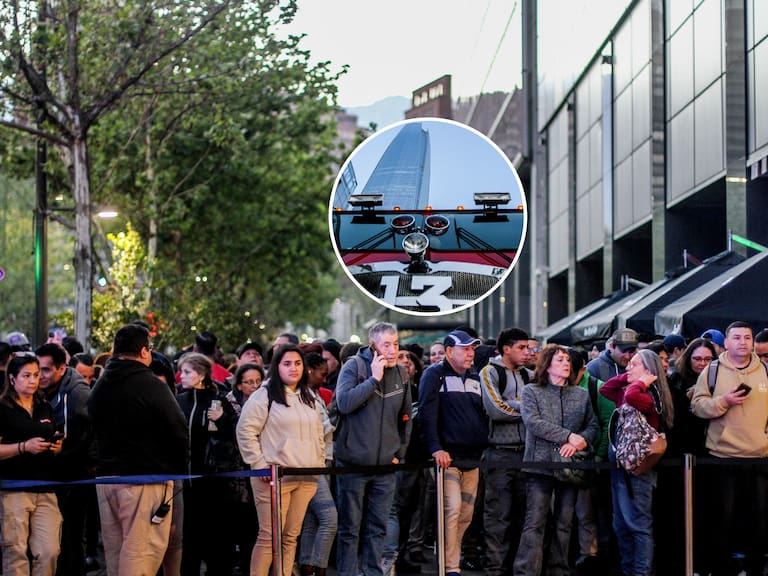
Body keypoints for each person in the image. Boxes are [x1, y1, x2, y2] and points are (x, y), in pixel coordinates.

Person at [88, 324, 189, 576]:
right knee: (141, 553)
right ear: (144, 351)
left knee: (115, 551)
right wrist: (176, 470)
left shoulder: (100, 386)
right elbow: (178, 429)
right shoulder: (151, 384)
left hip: (106, 479)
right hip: (145, 479)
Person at [237, 344, 325, 576]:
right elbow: (245, 431)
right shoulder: (263, 395)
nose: (293, 368)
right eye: (287, 363)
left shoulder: (309, 396)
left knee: (290, 537)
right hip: (273, 478)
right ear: (277, 366)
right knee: (269, 537)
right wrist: (259, 465)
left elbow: (319, 433)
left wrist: (318, 463)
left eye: (297, 363)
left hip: (306, 477)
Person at [333, 322, 412, 576]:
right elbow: (344, 403)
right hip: (353, 464)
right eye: (386, 344)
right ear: (373, 345)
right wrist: (373, 380)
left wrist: (399, 453)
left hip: (386, 466)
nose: (392, 350)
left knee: (378, 527)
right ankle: (347, 573)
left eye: (396, 344)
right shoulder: (354, 366)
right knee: (350, 528)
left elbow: (406, 417)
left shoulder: (401, 373)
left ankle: (373, 572)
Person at [692, 321, 768, 576]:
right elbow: (698, 406)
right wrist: (723, 401)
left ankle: (756, 569)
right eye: (736, 337)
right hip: (722, 457)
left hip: (759, 456)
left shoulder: (765, 370)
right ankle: (722, 569)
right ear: (726, 343)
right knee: (721, 521)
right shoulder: (712, 371)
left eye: (747, 337)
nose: (742, 342)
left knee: (759, 521)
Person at [513, 344, 597, 576]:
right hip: (538, 466)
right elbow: (533, 422)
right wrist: (567, 436)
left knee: (564, 523)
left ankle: (558, 570)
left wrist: (579, 441)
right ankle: (526, 571)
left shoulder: (580, 394)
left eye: (567, 360)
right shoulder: (532, 391)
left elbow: (592, 426)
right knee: (535, 522)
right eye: (560, 360)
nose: (566, 364)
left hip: (569, 468)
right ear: (547, 365)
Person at [419, 330, 488, 576]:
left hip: (473, 457)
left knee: (466, 515)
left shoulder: (475, 377)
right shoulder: (433, 375)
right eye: (466, 349)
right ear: (449, 352)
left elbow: (482, 414)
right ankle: (450, 567)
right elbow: (427, 414)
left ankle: (450, 558)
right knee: (452, 511)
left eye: (472, 349)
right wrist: (435, 447)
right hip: (446, 459)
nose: (471, 353)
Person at [600, 349, 674, 576]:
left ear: (649, 372)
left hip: (639, 471)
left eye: (634, 364)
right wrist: (632, 376)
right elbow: (606, 388)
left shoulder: (648, 395)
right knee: (620, 525)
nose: (627, 367)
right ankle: (627, 570)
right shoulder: (629, 389)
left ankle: (641, 572)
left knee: (638, 525)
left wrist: (640, 381)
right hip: (621, 467)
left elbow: (632, 397)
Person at [0, 354, 64, 576]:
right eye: (26, 375)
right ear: (12, 378)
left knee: (49, 550)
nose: (33, 380)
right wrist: (23, 447)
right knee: (15, 551)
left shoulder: (44, 406)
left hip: (46, 488)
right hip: (13, 490)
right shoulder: (3, 408)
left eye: (36, 375)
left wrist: (56, 446)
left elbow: (54, 433)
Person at [175, 352, 238, 576]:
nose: (181, 376)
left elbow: (233, 436)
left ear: (201, 375)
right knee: (188, 541)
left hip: (213, 483)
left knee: (216, 541)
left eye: (187, 372)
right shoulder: (178, 400)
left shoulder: (218, 400)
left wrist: (221, 419)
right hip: (185, 483)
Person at [35, 342, 92, 576]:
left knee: (70, 537)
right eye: (37, 369)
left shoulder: (76, 393)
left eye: (46, 370)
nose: (40, 375)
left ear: (61, 368)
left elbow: (85, 438)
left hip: (74, 477)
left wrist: (64, 457)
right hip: (50, 477)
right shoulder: (43, 390)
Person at [479, 327, 532, 576]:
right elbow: (496, 410)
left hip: (528, 455)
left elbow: (540, 406)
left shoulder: (528, 375)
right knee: (498, 517)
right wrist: (527, 411)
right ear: (505, 348)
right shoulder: (490, 372)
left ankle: (515, 568)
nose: (527, 352)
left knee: (524, 517)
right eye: (521, 347)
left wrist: (516, 406)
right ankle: (495, 569)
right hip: (499, 453)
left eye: (528, 347)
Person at [299, 353, 338, 576]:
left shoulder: (313, 395)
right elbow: (316, 430)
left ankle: (307, 565)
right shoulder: (303, 397)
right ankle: (319, 567)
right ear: (310, 370)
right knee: (330, 518)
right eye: (322, 374)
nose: (325, 379)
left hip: (323, 462)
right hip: (313, 465)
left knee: (312, 520)